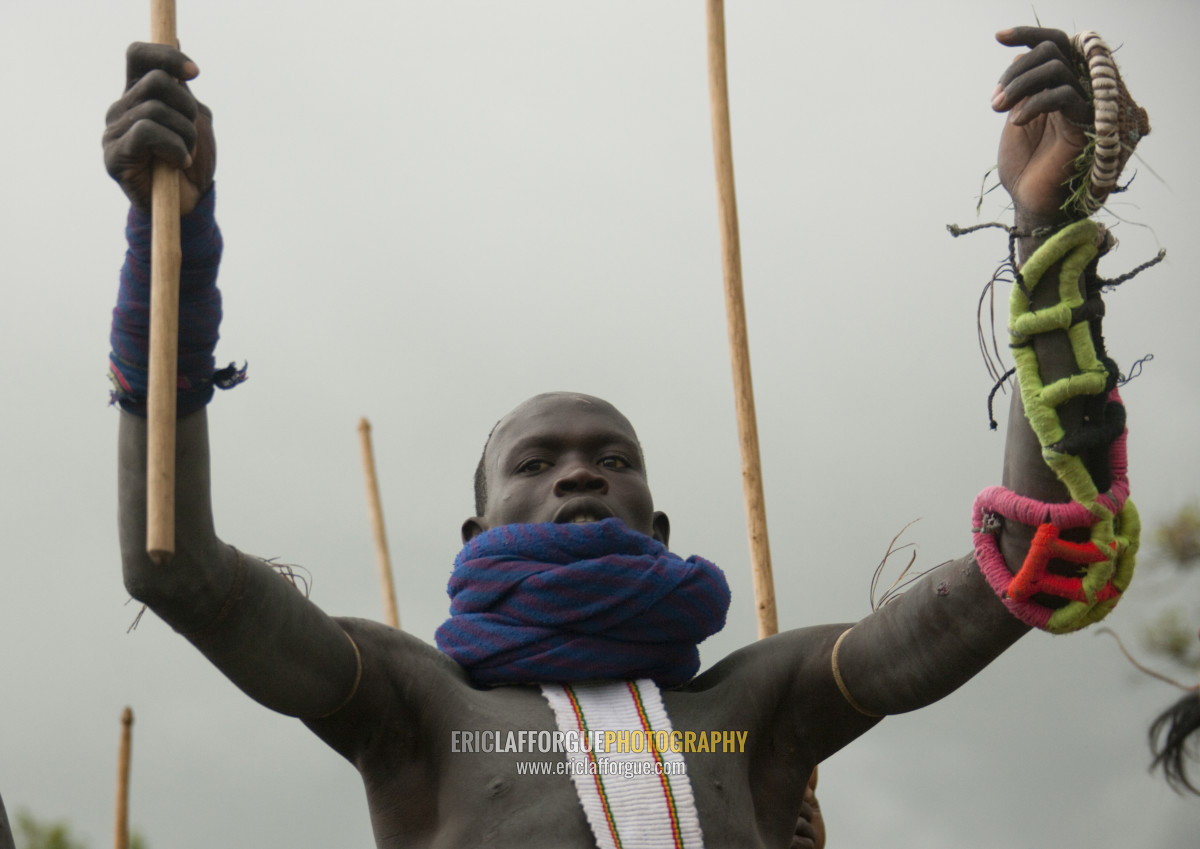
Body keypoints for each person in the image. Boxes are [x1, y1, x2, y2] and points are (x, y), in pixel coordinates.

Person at [102, 25, 1145, 848]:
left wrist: (1049, 227)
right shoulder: (411, 706)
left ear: (658, 523)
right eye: (539, 462)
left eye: (611, 460)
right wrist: (175, 241)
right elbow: (175, 569)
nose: (578, 477)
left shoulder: (761, 704)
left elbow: (1042, 559)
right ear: (475, 535)